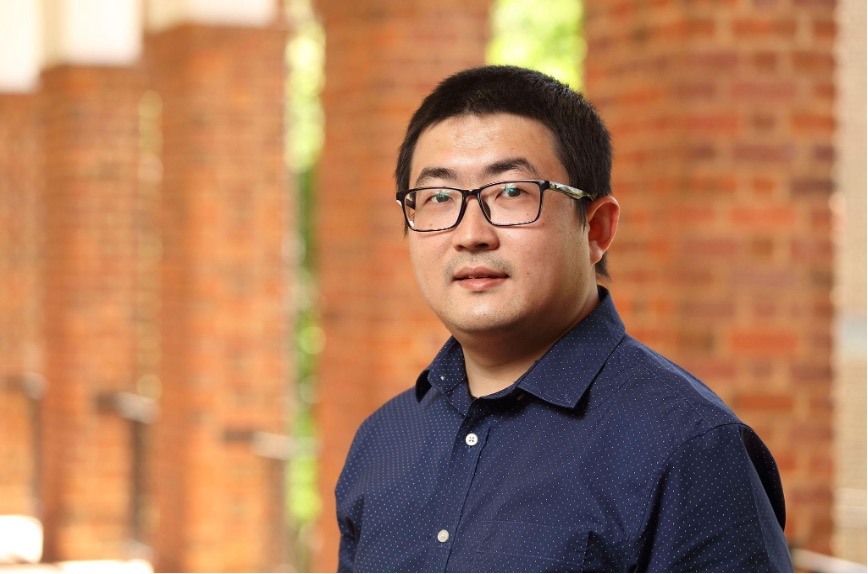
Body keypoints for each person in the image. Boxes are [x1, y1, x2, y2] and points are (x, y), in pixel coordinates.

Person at [335, 65, 792, 573]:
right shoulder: (384, 439)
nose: (471, 234)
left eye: (511, 192)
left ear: (596, 228)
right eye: (439, 198)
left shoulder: (689, 447)